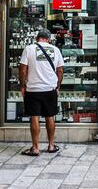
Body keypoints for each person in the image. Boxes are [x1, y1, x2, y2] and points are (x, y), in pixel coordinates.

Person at [19, 28, 64, 156]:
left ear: (36, 38)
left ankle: (35, 148)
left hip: (33, 89)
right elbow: (60, 71)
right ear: (49, 39)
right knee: (50, 116)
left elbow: (22, 71)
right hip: (50, 89)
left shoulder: (29, 49)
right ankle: (50, 145)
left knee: (35, 117)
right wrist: (57, 87)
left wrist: (22, 86)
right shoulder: (55, 50)